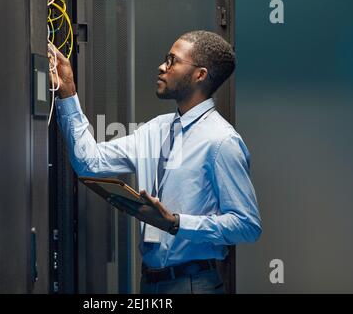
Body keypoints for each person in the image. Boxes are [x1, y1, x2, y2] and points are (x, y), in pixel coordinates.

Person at [48, 30, 262, 294]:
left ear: (200, 75)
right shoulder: (156, 130)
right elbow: (88, 161)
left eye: (172, 61)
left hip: (194, 285)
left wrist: (174, 223)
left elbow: (247, 226)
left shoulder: (221, 141)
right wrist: (67, 92)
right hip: (150, 283)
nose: (162, 67)